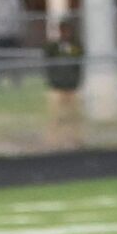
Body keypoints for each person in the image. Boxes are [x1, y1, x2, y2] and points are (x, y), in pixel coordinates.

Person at [44, 21, 83, 149]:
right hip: (57, 87)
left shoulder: (75, 46)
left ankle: (74, 140)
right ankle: (54, 141)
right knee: (56, 116)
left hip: (72, 86)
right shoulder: (53, 47)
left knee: (74, 116)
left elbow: (79, 59)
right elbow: (47, 59)